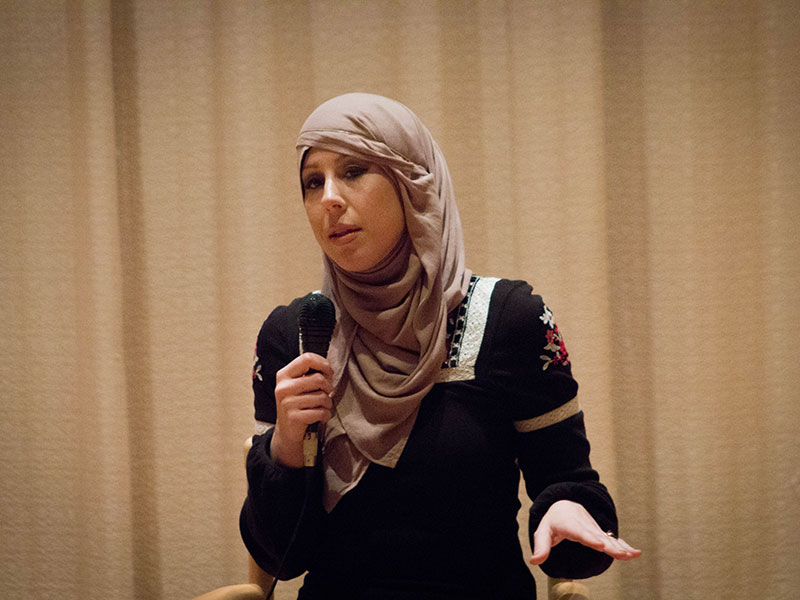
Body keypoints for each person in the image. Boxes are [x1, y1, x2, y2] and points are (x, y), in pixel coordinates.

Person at [240, 93, 640, 600]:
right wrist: (284, 450)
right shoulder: (294, 333)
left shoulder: (510, 319)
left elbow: (571, 487)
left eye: (354, 170)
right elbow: (282, 557)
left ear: (413, 182)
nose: (329, 199)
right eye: (312, 182)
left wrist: (565, 508)